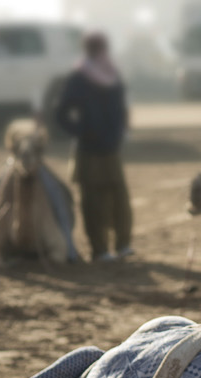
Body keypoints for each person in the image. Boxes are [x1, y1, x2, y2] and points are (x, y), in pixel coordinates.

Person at [54, 32, 133, 262]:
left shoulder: (113, 74)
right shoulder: (79, 77)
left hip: (111, 149)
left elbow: (120, 109)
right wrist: (81, 131)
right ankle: (100, 250)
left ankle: (123, 244)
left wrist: (119, 133)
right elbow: (61, 113)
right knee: (93, 201)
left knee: (119, 197)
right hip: (89, 151)